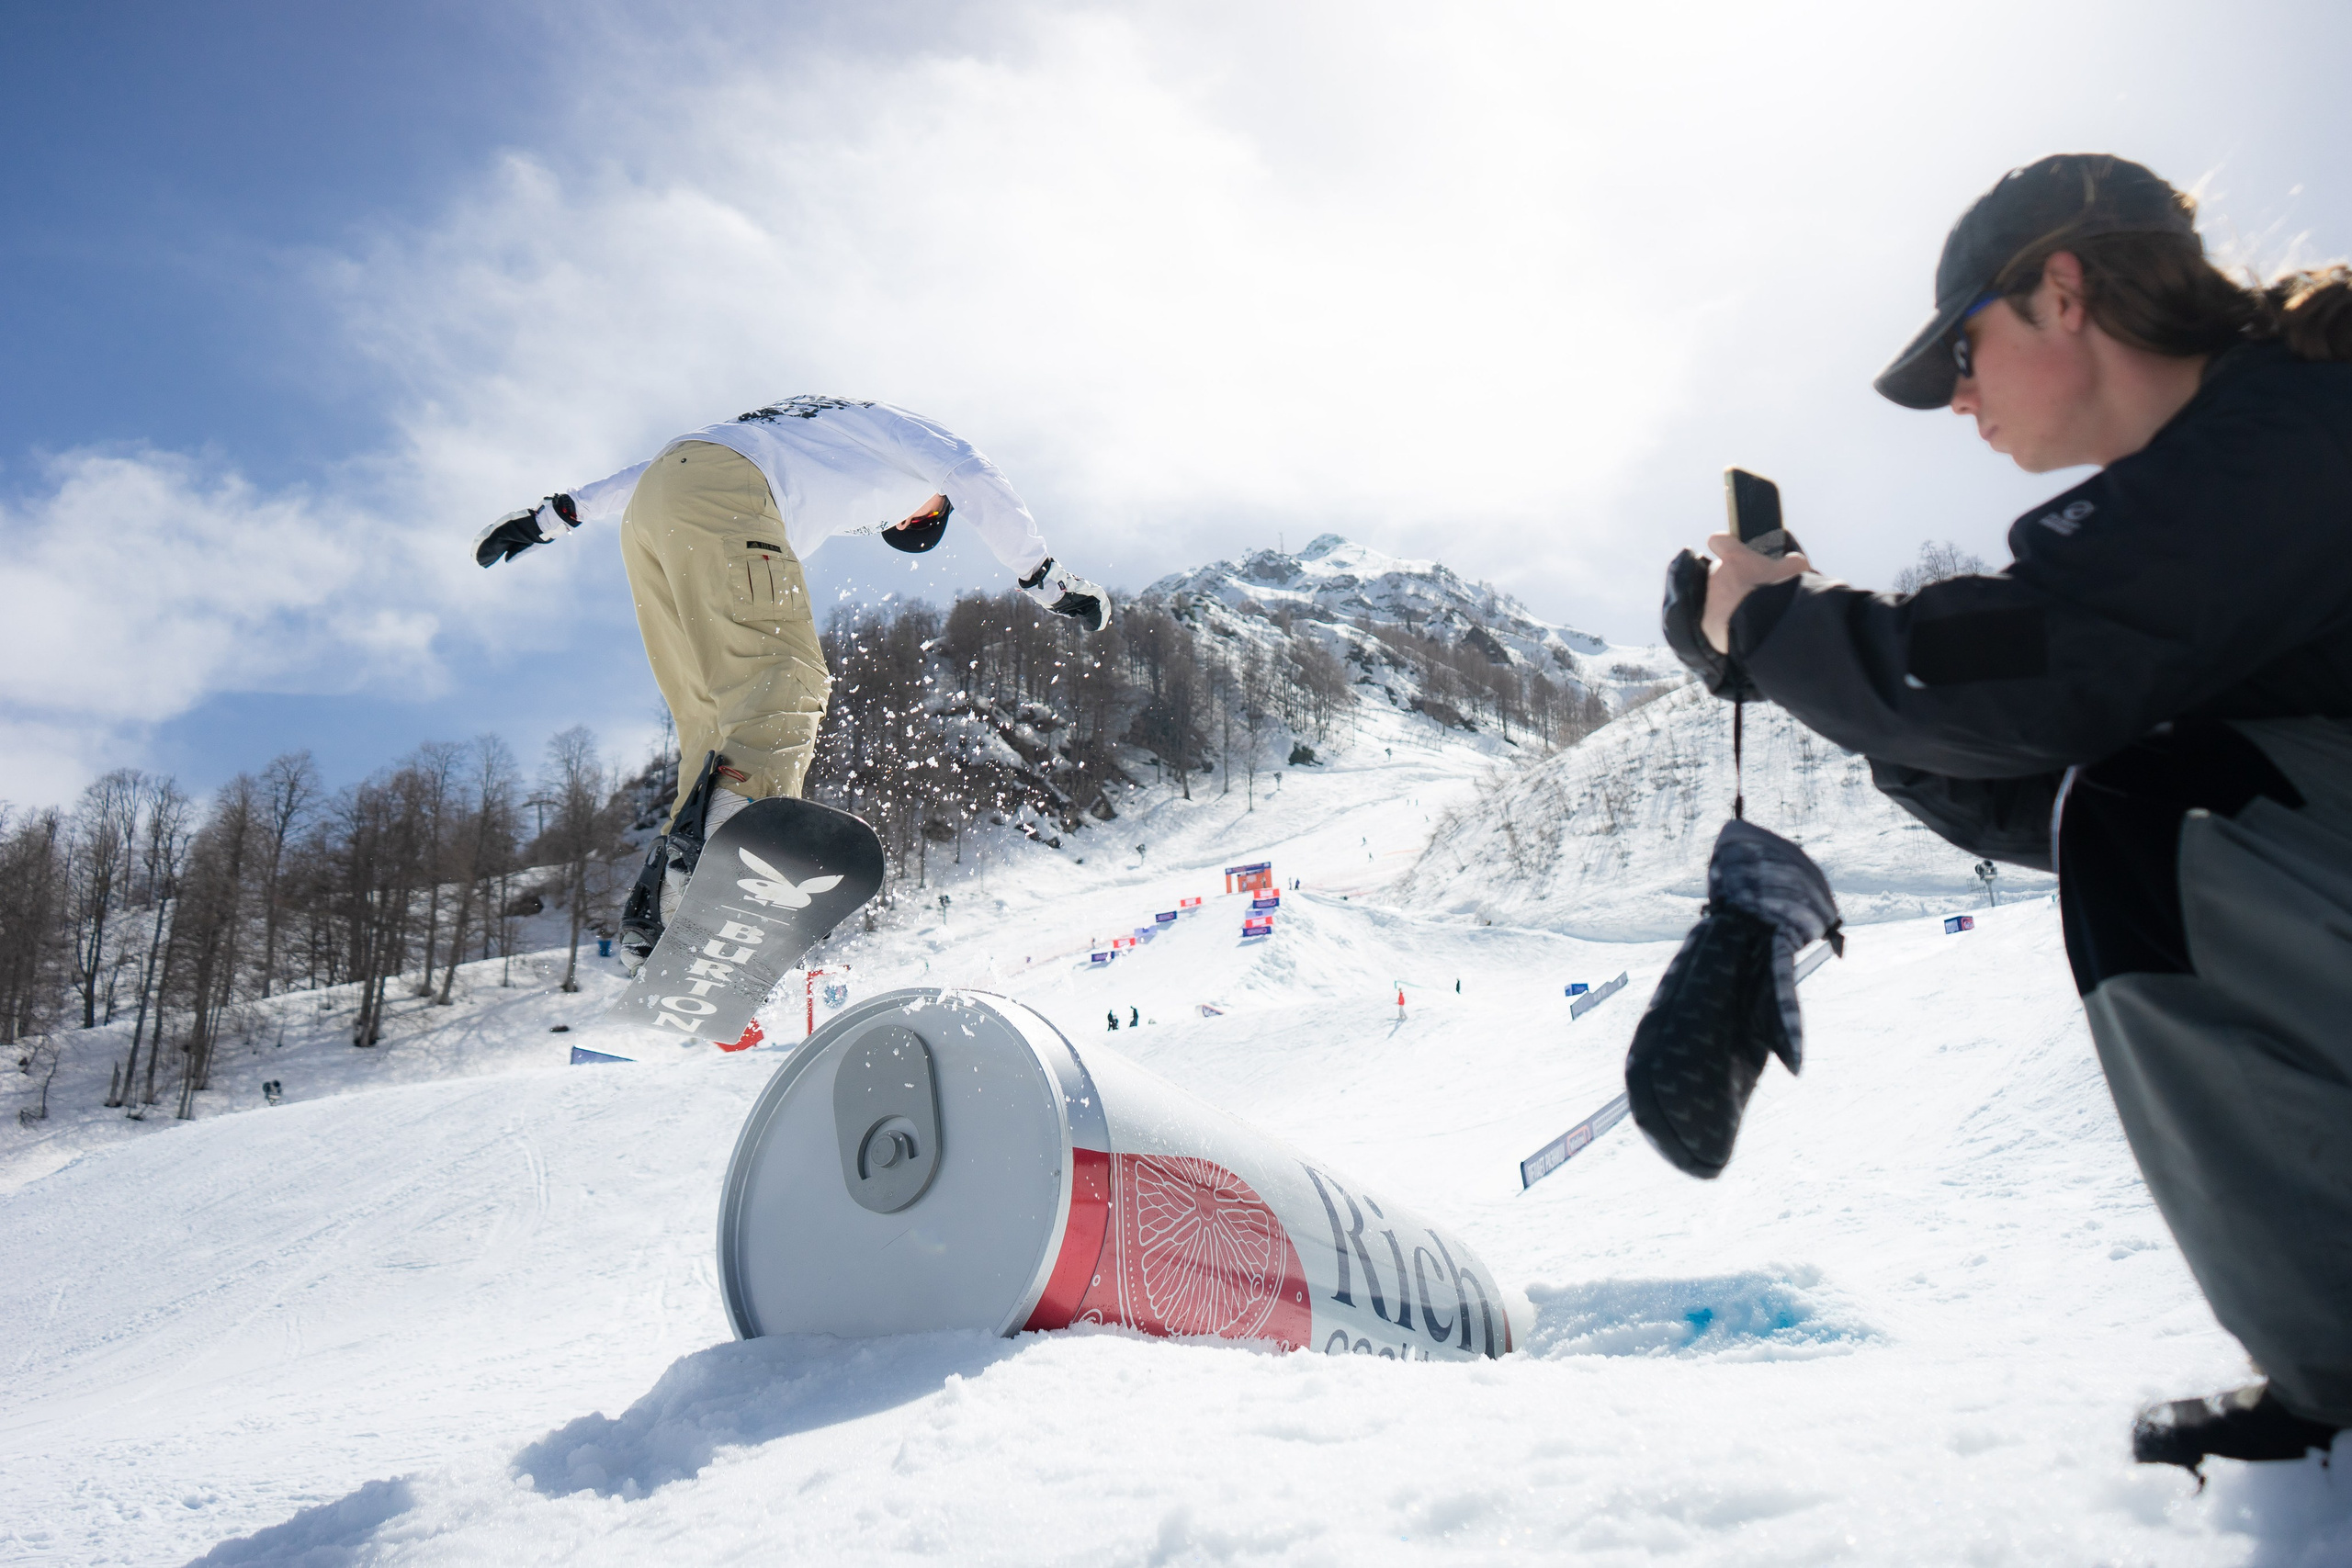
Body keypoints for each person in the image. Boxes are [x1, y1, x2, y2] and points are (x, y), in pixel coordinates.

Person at [1681, 153, 2352, 1474]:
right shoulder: (2237, 480)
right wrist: (1805, 666)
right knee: (2148, 816)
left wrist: (1775, 627)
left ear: (2063, 292)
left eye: (1963, 354)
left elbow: (2047, 669)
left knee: (2156, 812)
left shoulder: (2295, 426)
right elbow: (2056, 790)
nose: (1958, 399)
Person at [477, 395, 1111, 970]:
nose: (904, 524)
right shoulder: (910, 443)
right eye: (919, 522)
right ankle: (724, 879)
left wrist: (558, 514)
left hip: (656, 510)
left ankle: (664, 914)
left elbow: (680, 465)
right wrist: (1042, 576)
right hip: (724, 499)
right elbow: (971, 469)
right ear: (935, 507)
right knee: (785, 685)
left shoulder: (808, 428)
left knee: (713, 726)